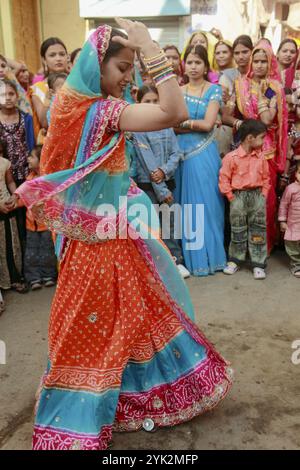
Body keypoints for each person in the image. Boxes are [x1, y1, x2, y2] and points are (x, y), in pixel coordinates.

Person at [16, 19, 233, 451]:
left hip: (88, 239)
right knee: (113, 323)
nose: (129, 77)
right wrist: (152, 48)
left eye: (133, 68)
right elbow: (174, 113)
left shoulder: (69, 103)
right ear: (98, 68)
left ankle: (105, 393)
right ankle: (93, 402)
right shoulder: (103, 110)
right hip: (103, 244)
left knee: (111, 321)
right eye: (122, 67)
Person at [222, 42, 288, 253]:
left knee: (264, 203)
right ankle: (242, 249)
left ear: (270, 63)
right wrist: (240, 124)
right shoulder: (240, 84)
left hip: (265, 151)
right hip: (242, 149)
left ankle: (263, 248)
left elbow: (267, 120)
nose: (259, 65)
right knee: (241, 200)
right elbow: (226, 115)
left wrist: (261, 94)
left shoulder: (272, 89)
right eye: (256, 61)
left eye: (264, 61)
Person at [175, 44, 227, 276]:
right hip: (179, 156)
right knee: (182, 207)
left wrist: (184, 124)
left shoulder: (213, 90)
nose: (194, 67)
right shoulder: (177, 90)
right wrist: (189, 126)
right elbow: (169, 126)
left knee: (207, 207)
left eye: (198, 62)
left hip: (203, 154)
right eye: (190, 62)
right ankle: (186, 260)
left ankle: (210, 258)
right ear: (184, 64)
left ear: (206, 66)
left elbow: (208, 125)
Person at [132, 84, 190, 279]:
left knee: (170, 223)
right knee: (152, 226)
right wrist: (162, 191)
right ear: (138, 103)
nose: (151, 105)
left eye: (155, 101)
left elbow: (176, 153)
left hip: (167, 181)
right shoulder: (138, 128)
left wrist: (164, 172)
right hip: (150, 187)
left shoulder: (166, 126)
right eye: (147, 101)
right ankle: (156, 267)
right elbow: (147, 163)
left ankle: (177, 261)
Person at [219, 119, 270, 280]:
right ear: (250, 138)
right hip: (238, 197)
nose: (263, 141)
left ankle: (258, 263)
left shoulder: (261, 158)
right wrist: (231, 197)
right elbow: (224, 178)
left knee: (258, 229)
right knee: (237, 229)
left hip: (257, 196)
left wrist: (263, 195)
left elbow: (266, 178)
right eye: (261, 137)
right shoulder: (231, 157)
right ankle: (236, 259)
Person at [20, 146, 57, 290]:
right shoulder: (29, 179)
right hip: (31, 223)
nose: (28, 158)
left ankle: (48, 276)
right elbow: (23, 197)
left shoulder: (49, 179)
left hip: (46, 224)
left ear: (41, 160)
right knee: (31, 252)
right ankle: (33, 278)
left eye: (32, 156)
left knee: (47, 251)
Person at [29, 37, 68, 140]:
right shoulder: (37, 89)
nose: (58, 58)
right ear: (44, 60)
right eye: (52, 55)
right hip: (50, 143)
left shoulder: (77, 84)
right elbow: (45, 123)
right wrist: (49, 99)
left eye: (62, 54)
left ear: (67, 57)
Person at [0, 139, 25, 296]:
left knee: (10, 243)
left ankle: (15, 278)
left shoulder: (4, 163)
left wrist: (15, 196)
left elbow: (10, 182)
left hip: (7, 206)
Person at [278, 161, 300, 277]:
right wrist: (282, 221)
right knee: (293, 246)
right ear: (296, 174)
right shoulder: (291, 189)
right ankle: (296, 264)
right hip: (293, 224)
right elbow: (283, 205)